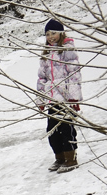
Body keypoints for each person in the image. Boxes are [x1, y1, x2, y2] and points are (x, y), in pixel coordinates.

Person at [37, 18, 83, 173]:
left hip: (65, 98)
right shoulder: (46, 53)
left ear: (61, 33)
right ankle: (60, 158)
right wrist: (41, 99)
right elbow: (42, 78)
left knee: (66, 129)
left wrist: (73, 99)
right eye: (48, 34)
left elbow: (74, 74)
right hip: (52, 99)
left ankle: (71, 159)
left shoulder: (67, 50)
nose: (50, 36)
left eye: (54, 33)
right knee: (52, 130)